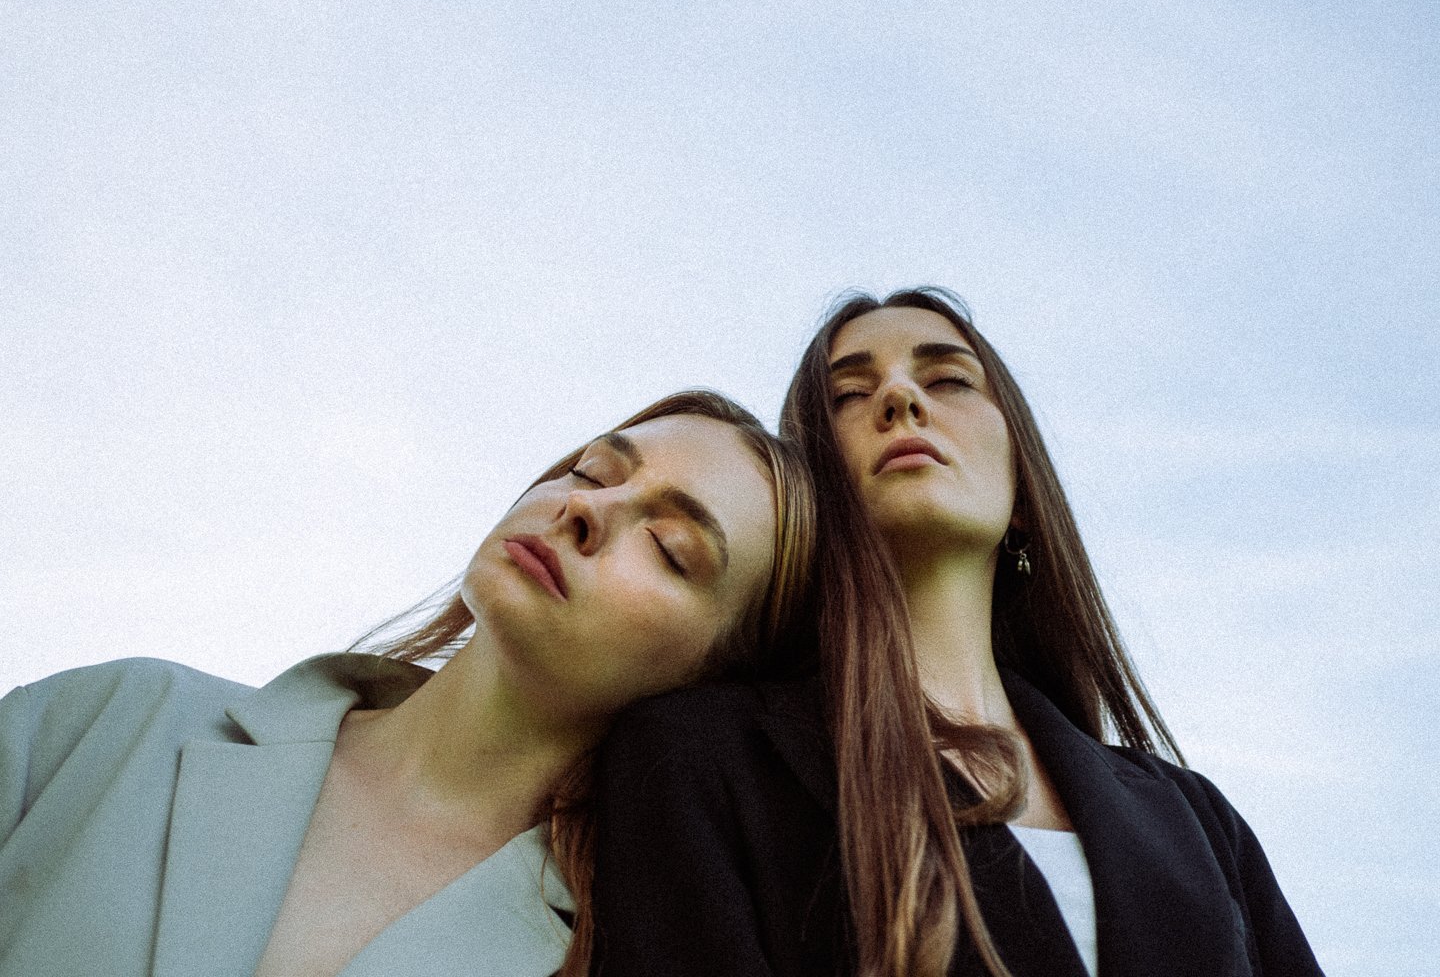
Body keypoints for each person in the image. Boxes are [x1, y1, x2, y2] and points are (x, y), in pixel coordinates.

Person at [591, 290, 1323, 976]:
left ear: (1023, 495)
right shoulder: (697, 759)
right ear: (809, 489)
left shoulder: (1198, 821)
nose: (898, 397)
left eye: (948, 380)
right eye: (848, 395)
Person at [0, 390, 815, 977]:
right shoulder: (110, 720)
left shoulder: (616, 954)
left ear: (718, 681)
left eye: (670, 548)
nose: (583, 510)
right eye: (593, 472)